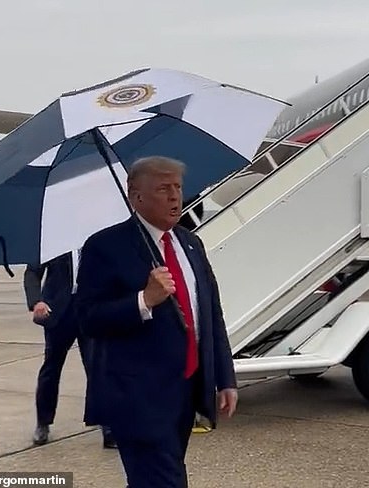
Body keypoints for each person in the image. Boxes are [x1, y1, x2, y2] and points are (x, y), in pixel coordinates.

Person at [75, 156, 238, 488]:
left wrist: (225, 377)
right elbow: (88, 319)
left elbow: (211, 315)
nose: (175, 197)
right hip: (137, 397)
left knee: (154, 478)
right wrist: (143, 300)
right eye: (164, 189)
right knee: (165, 481)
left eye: (177, 187)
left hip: (185, 391)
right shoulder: (105, 247)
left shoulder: (190, 243)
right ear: (136, 196)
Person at [23, 251, 115, 448]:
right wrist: (36, 301)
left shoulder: (93, 237)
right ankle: (43, 422)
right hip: (57, 312)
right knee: (51, 368)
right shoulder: (52, 240)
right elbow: (32, 272)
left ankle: (107, 426)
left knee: (96, 368)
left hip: (89, 310)